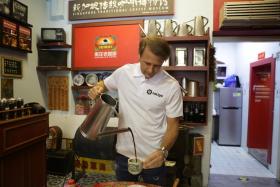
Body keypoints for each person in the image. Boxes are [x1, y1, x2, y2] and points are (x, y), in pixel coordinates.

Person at [88, 36, 183, 186]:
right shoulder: (124, 73)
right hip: (124, 155)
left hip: (153, 158)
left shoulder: (171, 86)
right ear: (139, 55)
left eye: (157, 65)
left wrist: (163, 152)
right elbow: (103, 84)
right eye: (147, 63)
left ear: (163, 62)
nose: (151, 70)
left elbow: (173, 126)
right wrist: (96, 89)